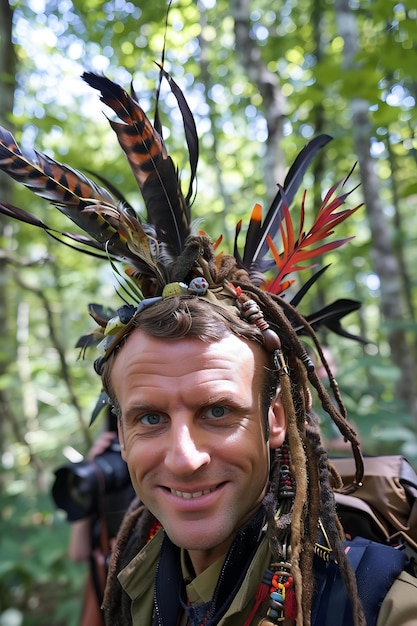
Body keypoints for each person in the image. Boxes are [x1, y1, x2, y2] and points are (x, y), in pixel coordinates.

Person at [1, 70, 416, 626]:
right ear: (119, 434)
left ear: (274, 419)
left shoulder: (375, 600)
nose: (184, 457)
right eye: (148, 418)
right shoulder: (135, 585)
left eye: (217, 411)